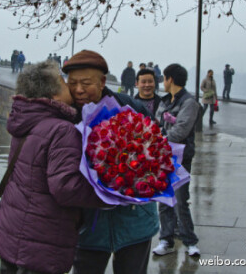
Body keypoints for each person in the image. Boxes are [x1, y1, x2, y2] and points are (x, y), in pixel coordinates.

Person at [0, 61, 108, 274]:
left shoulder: (25, 121)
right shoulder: (61, 129)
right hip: (41, 241)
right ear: (53, 96)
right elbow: (65, 188)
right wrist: (107, 197)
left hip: (12, 233)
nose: (71, 88)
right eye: (64, 83)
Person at [62, 50, 159, 274]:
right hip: (88, 225)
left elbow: (156, 152)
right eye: (73, 83)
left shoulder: (129, 107)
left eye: (86, 83)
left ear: (103, 81)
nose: (78, 90)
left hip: (135, 220)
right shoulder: (66, 114)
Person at [153, 63, 201, 257]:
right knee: (164, 201)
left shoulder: (189, 102)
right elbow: (157, 121)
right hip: (163, 157)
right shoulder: (165, 101)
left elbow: (181, 130)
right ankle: (166, 239)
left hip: (180, 158)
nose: (162, 82)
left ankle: (190, 241)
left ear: (170, 79)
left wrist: (160, 139)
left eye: (163, 78)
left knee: (181, 200)